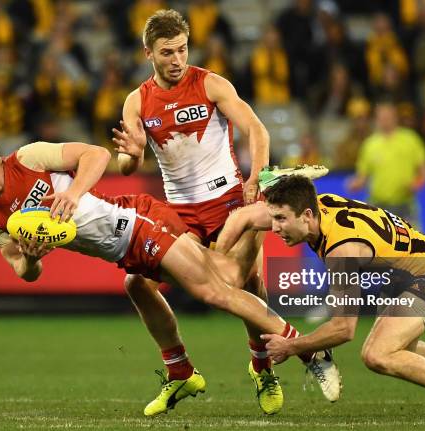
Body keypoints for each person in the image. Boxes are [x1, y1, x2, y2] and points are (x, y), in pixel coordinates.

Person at [0, 127, 335, 414]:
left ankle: (307, 348)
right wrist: (31, 254)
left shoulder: (28, 158)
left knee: (220, 288)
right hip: (122, 250)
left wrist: (73, 193)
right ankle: (181, 371)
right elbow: (24, 271)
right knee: (142, 286)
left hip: (134, 222)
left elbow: (95, 154)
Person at [112, 9, 340, 416]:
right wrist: (130, 156)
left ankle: (263, 367)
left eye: (183, 49)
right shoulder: (137, 101)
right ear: (148, 52)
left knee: (245, 283)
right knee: (135, 283)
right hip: (179, 212)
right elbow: (130, 165)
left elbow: (258, 129)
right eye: (167, 52)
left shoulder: (210, 84)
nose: (178, 59)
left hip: (230, 202)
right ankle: (180, 370)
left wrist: (259, 175)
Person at [217, 174, 425, 419]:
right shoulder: (315, 204)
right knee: (393, 344)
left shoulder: (342, 251)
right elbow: (243, 217)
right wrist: (219, 262)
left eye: (281, 219)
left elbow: (343, 329)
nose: (275, 228)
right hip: (405, 273)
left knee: (377, 354)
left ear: (306, 217)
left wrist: (293, 346)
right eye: (274, 218)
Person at [347, 100, 425, 228]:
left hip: (405, 204)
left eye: (387, 117)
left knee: (412, 244)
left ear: (395, 117)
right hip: (377, 206)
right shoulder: (370, 144)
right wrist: (355, 184)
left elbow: (424, 171)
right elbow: (362, 177)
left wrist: (416, 184)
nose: (384, 121)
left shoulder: (410, 140)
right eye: (381, 118)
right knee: (375, 244)